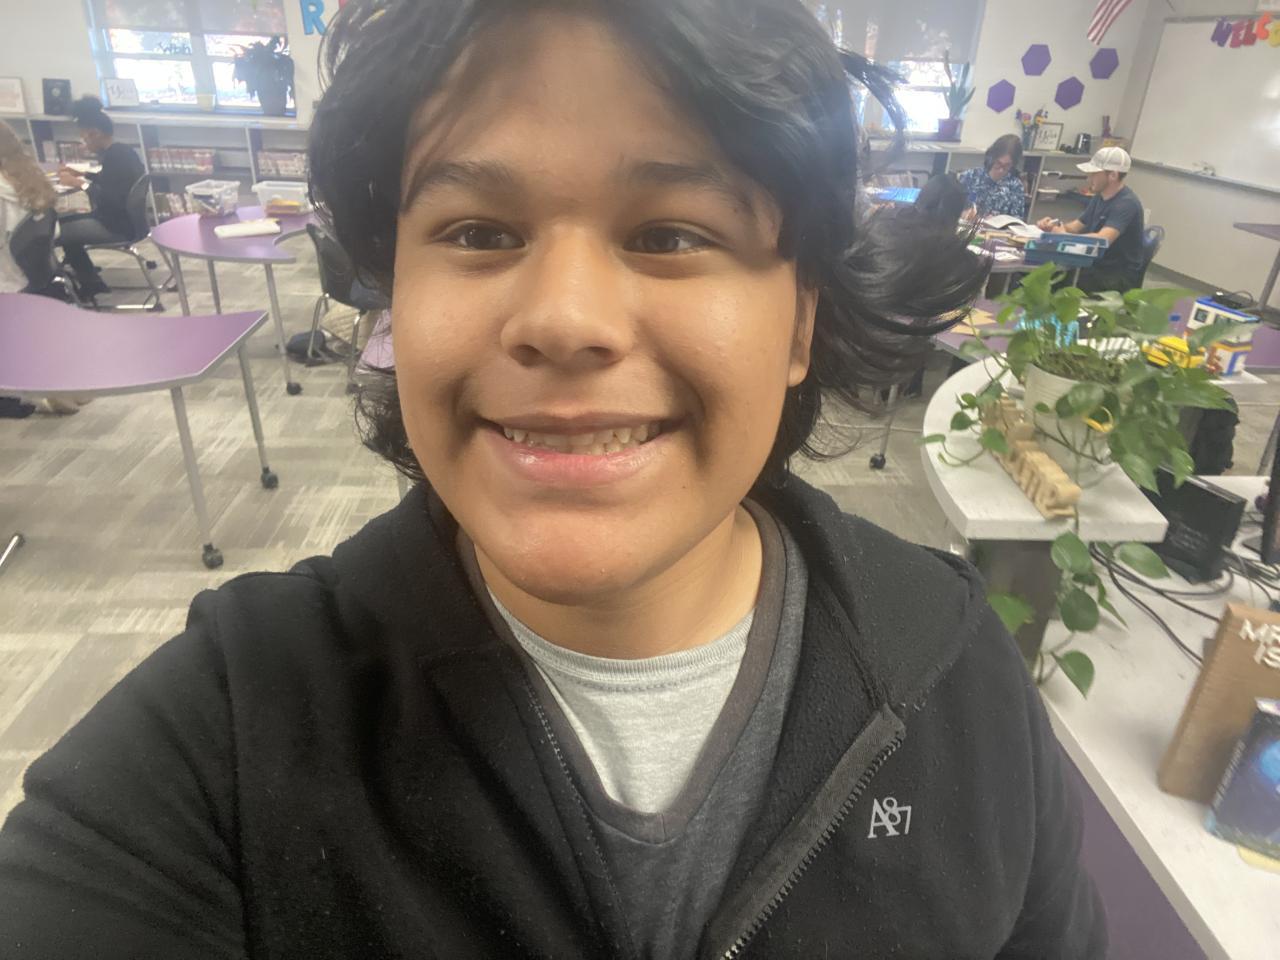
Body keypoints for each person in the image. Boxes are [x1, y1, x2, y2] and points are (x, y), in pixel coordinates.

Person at [0, 2, 1105, 957]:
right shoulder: (228, 737)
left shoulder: (953, 672)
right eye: (479, 231)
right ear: (395, 297)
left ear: (800, 322)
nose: (564, 319)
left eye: (670, 234)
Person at [55, 96, 145, 299]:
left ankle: (87, 283)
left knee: (58, 230)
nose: (84, 144)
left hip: (116, 226)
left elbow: (111, 198)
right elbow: (112, 181)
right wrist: (84, 174)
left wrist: (79, 184)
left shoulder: (114, 157)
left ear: (94, 133)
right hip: (131, 221)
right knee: (67, 223)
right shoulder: (123, 152)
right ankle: (90, 280)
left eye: (85, 139)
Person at [1037, 146, 1145, 293]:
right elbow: (1076, 226)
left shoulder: (1126, 204)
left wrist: (1063, 236)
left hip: (1115, 276)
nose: (1089, 178)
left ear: (1113, 175)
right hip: (1096, 265)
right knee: (1046, 272)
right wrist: (1054, 226)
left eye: (1094, 174)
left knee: (1055, 280)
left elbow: (1103, 240)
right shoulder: (1100, 197)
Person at [957, 133, 1029, 220]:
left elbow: (1016, 220)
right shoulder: (971, 176)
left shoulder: (1015, 186)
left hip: (997, 228)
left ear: (1013, 164)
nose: (1001, 170)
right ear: (992, 157)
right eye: (998, 163)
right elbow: (952, 207)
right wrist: (964, 212)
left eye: (1007, 166)